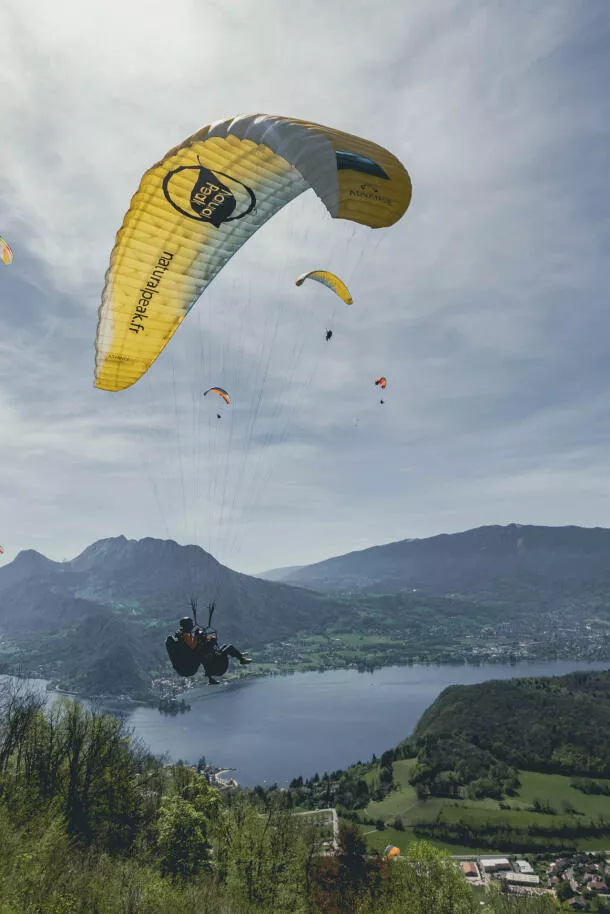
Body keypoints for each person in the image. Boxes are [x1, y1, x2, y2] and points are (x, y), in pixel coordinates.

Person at [177, 613, 252, 685]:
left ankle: (239, 655)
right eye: (190, 624)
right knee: (229, 647)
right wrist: (197, 637)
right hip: (213, 661)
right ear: (186, 625)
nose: (192, 625)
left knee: (225, 646)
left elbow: (194, 644)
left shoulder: (185, 635)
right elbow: (193, 646)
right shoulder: (185, 636)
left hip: (207, 657)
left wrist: (206, 638)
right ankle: (242, 659)